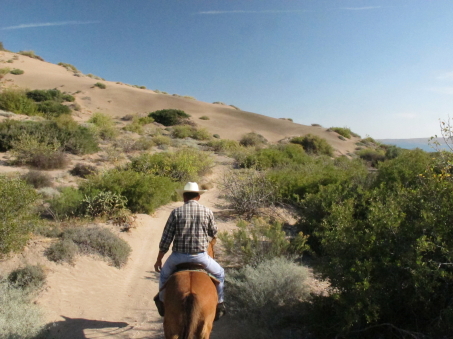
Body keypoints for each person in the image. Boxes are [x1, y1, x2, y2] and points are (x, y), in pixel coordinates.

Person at [153, 182, 226, 320]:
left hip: (178, 257)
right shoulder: (207, 211)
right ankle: (220, 303)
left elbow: (166, 239)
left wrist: (159, 259)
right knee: (220, 273)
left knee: (163, 275)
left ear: (184, 197)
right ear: (198, 197)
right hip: (200, 257)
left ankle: (162, 302)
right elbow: (214, 232)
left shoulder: (176, 212)